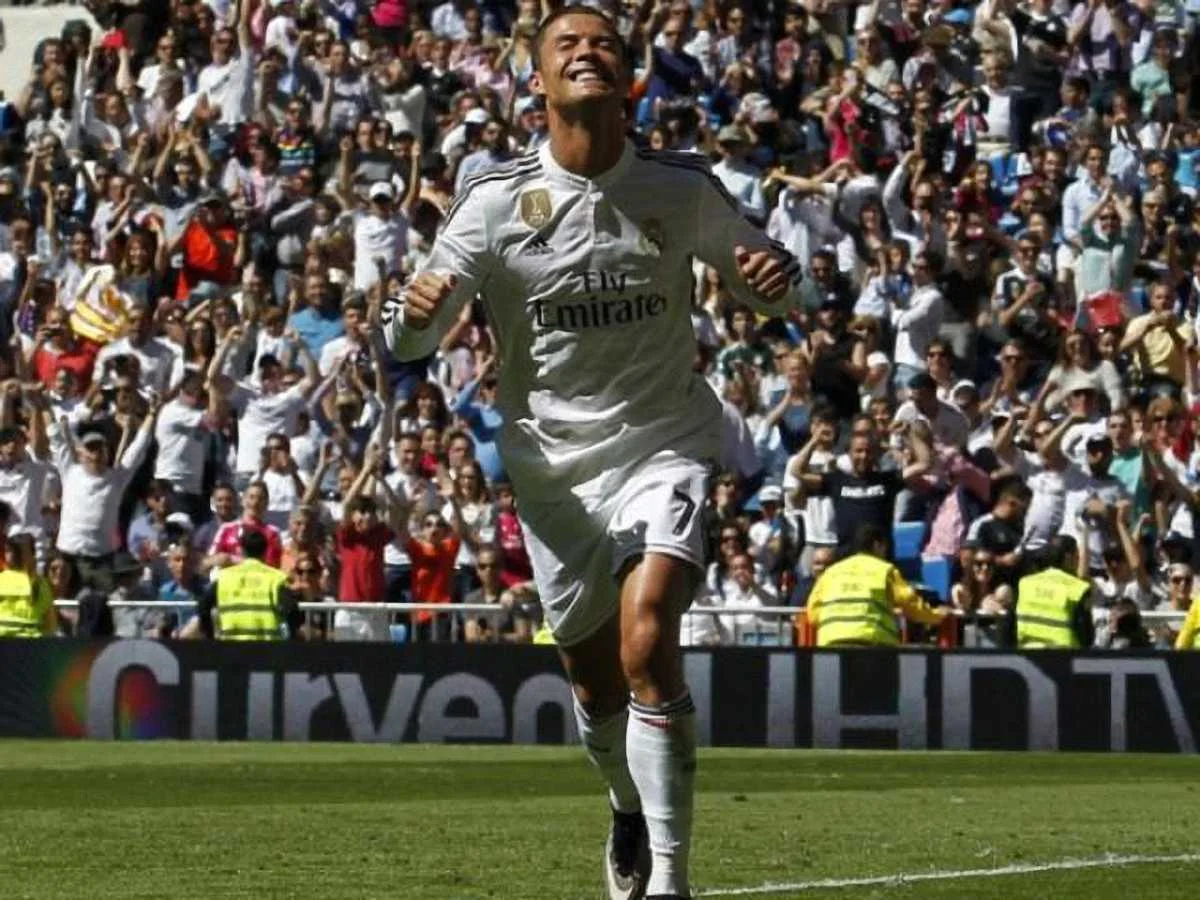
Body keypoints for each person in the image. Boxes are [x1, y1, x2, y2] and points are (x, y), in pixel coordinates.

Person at [380, 8, 801, 898]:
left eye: (603, 42)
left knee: (648, 640)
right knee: (596, 685)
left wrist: (773, 281)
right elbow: (412, 338)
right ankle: (624, 803)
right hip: (554, 471)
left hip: (662, 441)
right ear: (536, 81)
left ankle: (671, 879)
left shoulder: (681, 186)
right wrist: (413, 317)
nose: (586, 52)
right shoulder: (494, 201)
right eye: (566, 45)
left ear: (628, 74)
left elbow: (770, 284)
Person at [805, 523, 947, 647]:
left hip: (831, 643)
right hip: (872, 642)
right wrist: (936, 616)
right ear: (877, 545)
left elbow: (813, 612)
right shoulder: (884, 570)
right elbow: (910, 603)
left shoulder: (831, 572)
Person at [197, 529, 302, 641]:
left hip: (231, 646)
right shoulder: (276, 578)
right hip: (267, 647)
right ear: (265, 550)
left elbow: (203, 606)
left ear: (241, 550)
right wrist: (292, 636)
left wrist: (210, 635)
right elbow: (292, 612)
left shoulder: (223, 578)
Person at [1013, 535, 1094, 649]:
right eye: (1077, 556)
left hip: (1028, 653)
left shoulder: (1025, 583)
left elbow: (1010, 623)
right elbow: (1086, 636)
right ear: (1068, 557)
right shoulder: (1078, 588)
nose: (1078, 561)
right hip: (1065, 655)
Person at [0, 532, 56, 637]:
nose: (12, 555)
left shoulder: (40, 584)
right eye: (8, 550)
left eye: (16, 551)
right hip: (30, 643)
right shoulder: (41, 583)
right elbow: (50, 626)